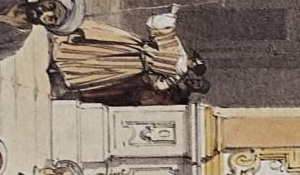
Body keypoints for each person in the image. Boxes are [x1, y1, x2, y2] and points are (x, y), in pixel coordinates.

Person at [48, 9, 204, 105]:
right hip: (134, 48)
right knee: (101, 47)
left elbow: (159, 86)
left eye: (194, 64)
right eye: (194, 60)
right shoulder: (178, 50)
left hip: (133, 67)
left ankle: (65, 70)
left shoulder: (177, 75)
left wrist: (151, 75)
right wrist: (169, 19)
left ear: (193, 68)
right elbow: (163, 34)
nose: (191, 62)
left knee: (101, 68)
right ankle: (64, 51)